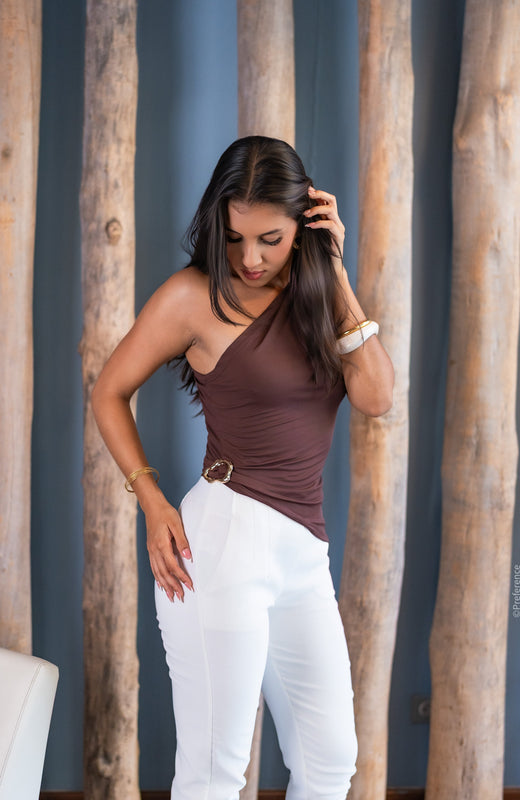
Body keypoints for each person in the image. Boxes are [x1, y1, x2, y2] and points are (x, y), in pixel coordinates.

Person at [91, 135, 394, 800]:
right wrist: (152, 501)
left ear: (304, 225)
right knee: (214, 773)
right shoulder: (192, 296)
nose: (250, 258)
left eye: (270, 239)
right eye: (234, 239)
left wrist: (334, 270)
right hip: (222, 543)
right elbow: (107, 391)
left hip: (302, 552)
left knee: (330, 762)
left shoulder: (319, 295)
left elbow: (376, 397)